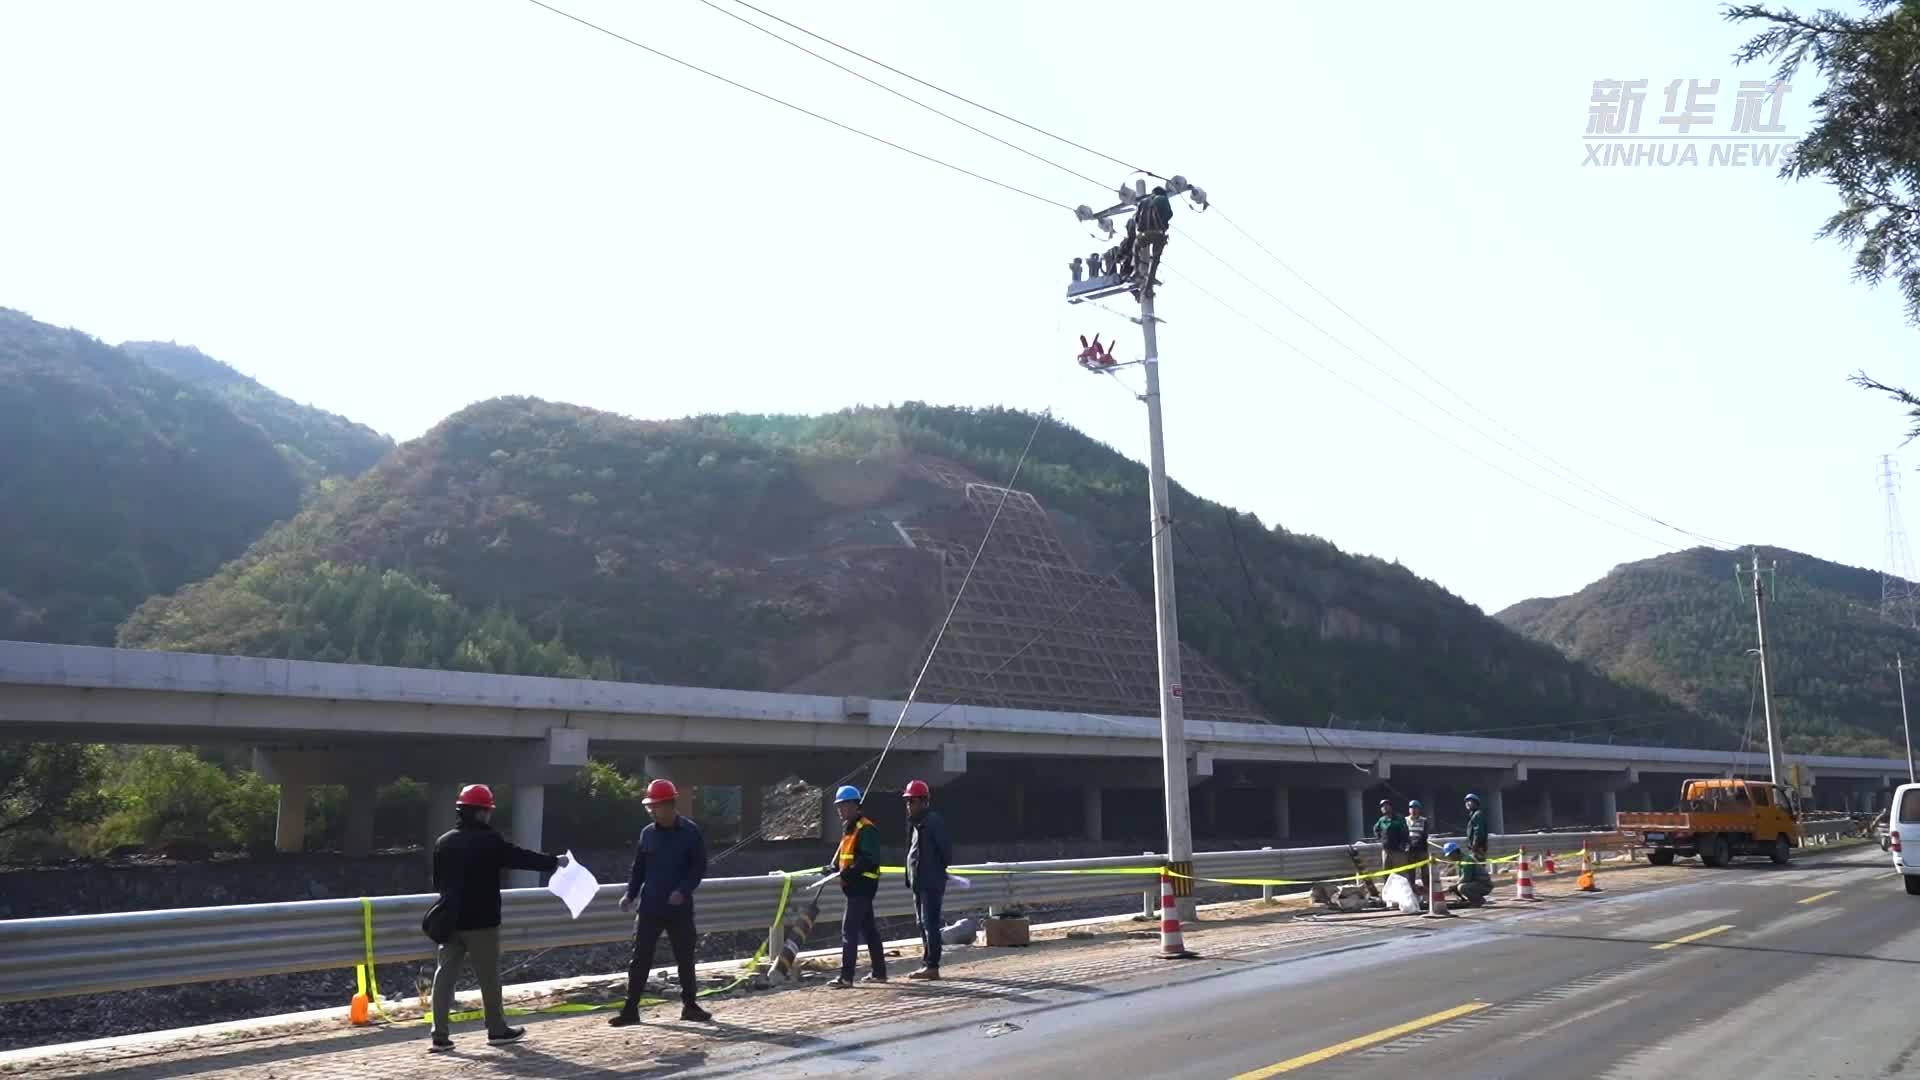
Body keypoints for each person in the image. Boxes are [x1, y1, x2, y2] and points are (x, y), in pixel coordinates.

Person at [428, 783, 569, 1053]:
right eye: (488, 811)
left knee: (444, 976)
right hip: (482, 921)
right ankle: (496, 1029)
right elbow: (520, 858)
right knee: (489, 978)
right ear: (481, 813)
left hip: (449, 920)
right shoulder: (489, 840)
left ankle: (440, 1035)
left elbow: (438, 882)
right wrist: (554, 862)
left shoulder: (442, 842)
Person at [609, 779, 712, 1028]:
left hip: (679, 908)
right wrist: (630, 895)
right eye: (649, 807)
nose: (652, 811)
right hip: (651, 906)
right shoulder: (647, 834)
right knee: (641, 958)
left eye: (655, 806)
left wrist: (683, 890)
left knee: (685, 957)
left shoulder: (690, 832)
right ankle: (631, 1009)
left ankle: (690, 1005)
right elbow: (638, 869)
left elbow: (699, 867)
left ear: (669, 805)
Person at [824, 785, 885, 988]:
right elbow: (847, 856)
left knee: (849, 930)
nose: (839, 810)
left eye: (842, 806)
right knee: (869, 929)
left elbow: (868, 859)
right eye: (838, 806)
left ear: (853, 805)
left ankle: (846, 977)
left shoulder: (866, 829)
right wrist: (833, 868)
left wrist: (847, 873)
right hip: (854, 887)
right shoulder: (850, 829)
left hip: (862, 887)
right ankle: (879, 972)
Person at [902, 779, 952, 981]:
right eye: (907, 801)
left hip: (930, 883)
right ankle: (927, 962)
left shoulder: (933, 822)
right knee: (921, 923)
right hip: (918, 883)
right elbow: (912, 854)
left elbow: (946, 853)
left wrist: (935, 873)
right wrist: (910, 877)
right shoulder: (916, 825)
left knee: (930, 923)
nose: (908, 805)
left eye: (911, 801)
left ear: (923, 801)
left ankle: (932, 965)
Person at [1373, 798, 1408, 878]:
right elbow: (1375, 829)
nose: (1384, 808)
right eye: (1382, 806)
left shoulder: (1399, 818)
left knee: (1400, 874)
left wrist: (1403, 844)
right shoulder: (1381, 820)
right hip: (1386, 851)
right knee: (1386, 872)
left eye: (1386, 805)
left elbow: (1405, 832)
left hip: (1398, 851)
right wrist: (1380, 838)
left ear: (1391, 807)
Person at [1403, 799, 1430, 891]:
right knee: (1411, 870)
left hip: (1421, 849)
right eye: (1411, 808)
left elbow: (1425, 834)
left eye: (1415, 808)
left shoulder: (1424, 820)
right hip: (1410, 849)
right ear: (1409, 809)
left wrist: (1418, 843)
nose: (1413, 810)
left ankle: (1426, 887)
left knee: (1424, 870)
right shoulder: (1405, 820)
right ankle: (1412, 887)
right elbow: (1404, 833)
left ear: (1419, 809)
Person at [1464, 793, 1490, 863]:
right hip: (1475, 848)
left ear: (1476, 803)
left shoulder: (1477, 814)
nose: (1467, 803)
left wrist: (1475, 845)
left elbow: (1478, 831)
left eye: (1470, 801)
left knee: (1478, 869)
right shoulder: (1473, 815)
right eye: (1466, 801)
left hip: (1478, 848)